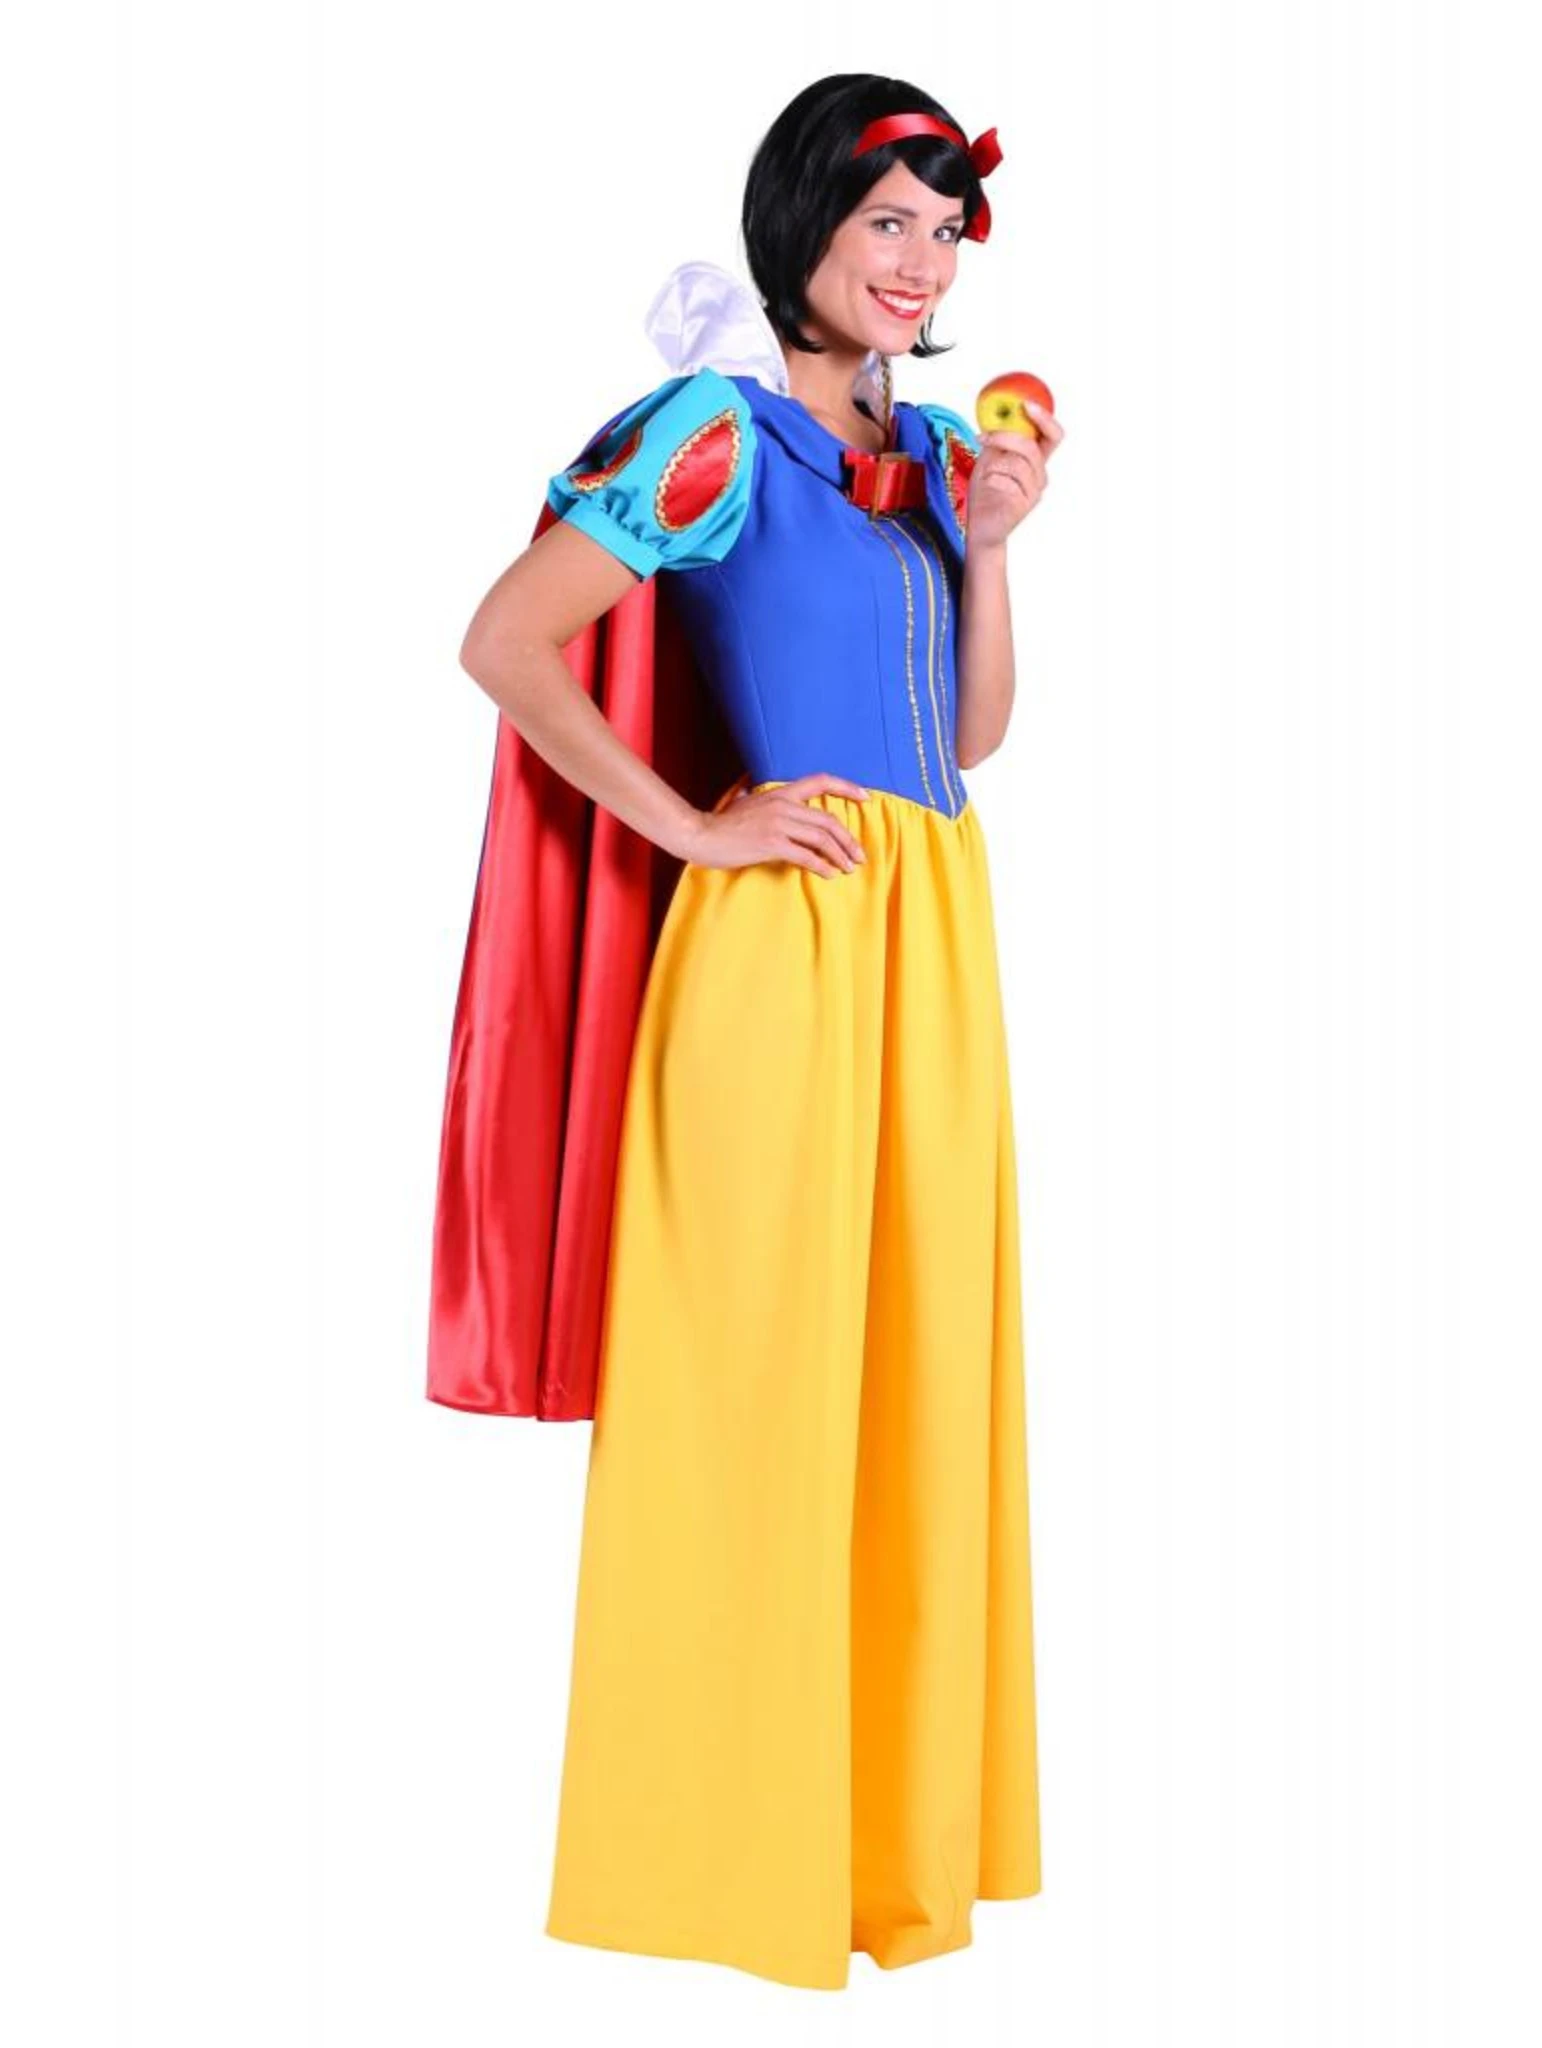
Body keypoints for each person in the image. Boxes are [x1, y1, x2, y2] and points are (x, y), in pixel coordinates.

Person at [430, 73, 1062, 1990]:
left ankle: (876, 1854)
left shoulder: (934, 453)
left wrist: (995, 546)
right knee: (759, 1392)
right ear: (804, 224)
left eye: (943, 230)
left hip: (934, 940)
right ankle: (716, 1866)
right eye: (887, 222)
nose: (920, 262)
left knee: (918, 1387)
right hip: (781, 949)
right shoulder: (712, 432)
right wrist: (697, 824)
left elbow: (966, 740)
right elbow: (507, 640)